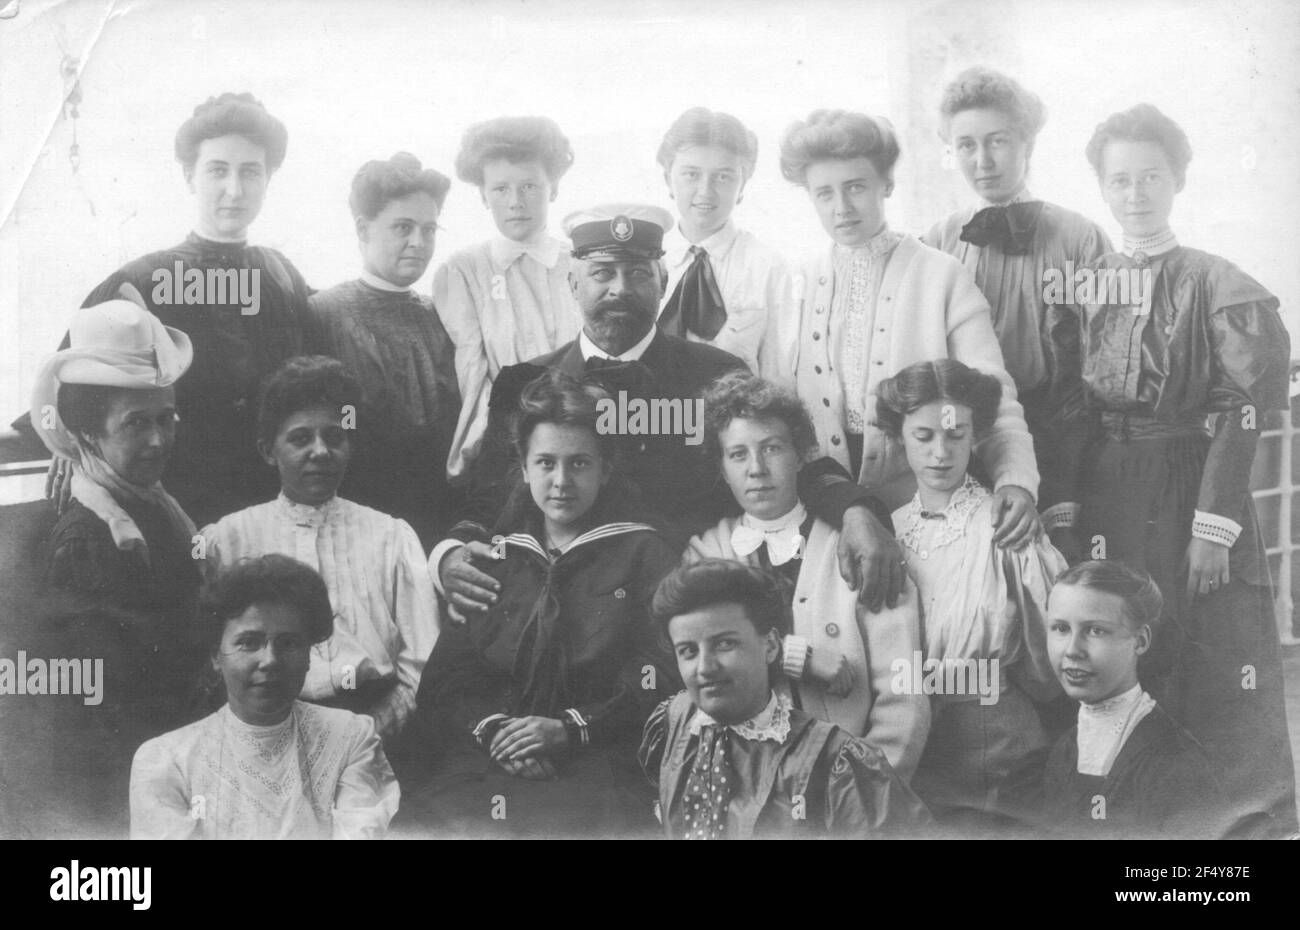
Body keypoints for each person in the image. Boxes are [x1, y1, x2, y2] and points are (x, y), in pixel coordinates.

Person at [435, 202, 904, 628]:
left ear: (663, 282)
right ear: (573, 283)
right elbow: (491, 495)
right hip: (568, 606)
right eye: (603, 273)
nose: (620, 288)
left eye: (638, 273)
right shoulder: (526, 383)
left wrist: (856, 509)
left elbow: (785, 458)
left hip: (692, 600)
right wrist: (450, 552)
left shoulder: (714, 373)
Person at [1066, 103, 1296, 835]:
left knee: (1204, 648)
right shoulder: (1083, 284)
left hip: (1188, 478)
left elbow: (1240, 409)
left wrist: (1213, 524)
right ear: (1102, 188)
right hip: (1108, 488)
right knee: (1112, 639)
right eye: (1121, 180)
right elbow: (1069, 406)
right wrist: (1068, 505)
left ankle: (1219, 830)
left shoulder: (1215, 282)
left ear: (1178, 181)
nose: (1136, 194)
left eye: (1152, 177)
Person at [403, 372, 679, 837]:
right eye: (546, 462)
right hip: (490, 758)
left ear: (605, 469)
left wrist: (570, 729)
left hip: (599, 758)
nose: (561, 481)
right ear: (524, 467)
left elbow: (662, 670)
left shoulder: (643, 555)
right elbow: (449, 681)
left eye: (580, 464)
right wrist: (498, 733)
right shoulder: (496, 558)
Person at [22, 93, 313, 527]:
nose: (235, 190)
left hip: (271, 508)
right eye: (218, 170)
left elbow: (319, 379)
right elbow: (59, 386)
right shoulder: (141, 280)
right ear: (189, 176)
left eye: (251, 171)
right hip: (183, 509)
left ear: (268, 177)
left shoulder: (280, 275)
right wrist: (67, 448)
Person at [773, 109, 1040, 537]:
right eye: (824, 193)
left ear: (887, 184)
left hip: (929, 499)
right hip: (826, 503)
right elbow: (782, 406)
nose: (841, 208)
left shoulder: (941, 274)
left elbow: (994, 396)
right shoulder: (796, 280)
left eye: (856, 187)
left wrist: (1015, 480)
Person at [18, 299, 208, 836]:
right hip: (128, 776)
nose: (158, 439)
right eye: (136, 424)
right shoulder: (87, 540)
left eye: (166, 419)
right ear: (87, 435)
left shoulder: (153, 503)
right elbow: (107, 702)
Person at [684, 371, 929, 779]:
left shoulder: (857, 547)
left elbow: (903, 692)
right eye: (738, 455)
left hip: (854, 780)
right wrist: (797, 656)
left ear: (800, 455)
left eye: (772, 448)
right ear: (723, 469)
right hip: (746, 781)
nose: (757, 469)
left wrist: (865, 789)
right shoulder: (706, 555)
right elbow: (705, 671)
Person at [200, 356, 439, 745]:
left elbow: (423, 658)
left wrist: (381, 720)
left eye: (334, 436)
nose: (321, 451)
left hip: (376, 725)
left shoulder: (391, 536)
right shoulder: (227, 539)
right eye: (299, 439)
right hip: (262, 727)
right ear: (268, 450)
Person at [923, 68, 1112, 550]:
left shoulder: (1078, 237)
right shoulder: (939, 241)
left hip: (1061, 439)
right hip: (964, 439)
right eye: (966, 145)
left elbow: (1106, 363)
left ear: (1027, 142)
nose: (982, 160)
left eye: (998, 141)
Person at [878, 359, 1066, 830]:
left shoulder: (1005, 527)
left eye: (956, 435)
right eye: (924, 436)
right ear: (899, 436)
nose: (940, 452)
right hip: (908, 739)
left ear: (976, 435)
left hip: (998, 739)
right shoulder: (887, 534)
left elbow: (1049, 664)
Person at [639, 560, 930, 838]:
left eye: (725, 643)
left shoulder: (835, 764)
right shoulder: (674, 722)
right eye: (688, 651)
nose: (705, 668)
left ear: (771, 646)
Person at [130, 555, 400, 839]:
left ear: (309, 655)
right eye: (248, 643)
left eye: (289, 643)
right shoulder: (165, 760)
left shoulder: (351, 738)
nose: (270, 660)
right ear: (215, 656)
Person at [308, 152, 461, 547]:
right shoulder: (323, 313)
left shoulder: (442, 315)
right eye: (403, 227)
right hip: (356, 523)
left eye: (429, 230)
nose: (418, 243)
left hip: (441, 522)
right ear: (363, 229)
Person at [435, 116, 582, 480]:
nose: (516, 202)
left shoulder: (582, 262)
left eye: (530, 185)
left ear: (553, 188)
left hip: (584, 431)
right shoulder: (463, 271)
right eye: (501, 189)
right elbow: (474, 372)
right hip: (508, 443)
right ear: (484, 195)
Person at [1038, 560, 1228, 838]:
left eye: (1096, 630)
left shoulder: (1176, 761)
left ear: (1140, 641)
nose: (1072, 650)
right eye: (1060, 628)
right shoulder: (1063, 752)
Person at [655, 107, 793, 376]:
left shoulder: (768, 268)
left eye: (723, 176)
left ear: (743, 186)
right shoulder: (646, 260)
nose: (705, 191)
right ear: (668, 180)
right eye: (691, 174)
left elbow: (778, 374)